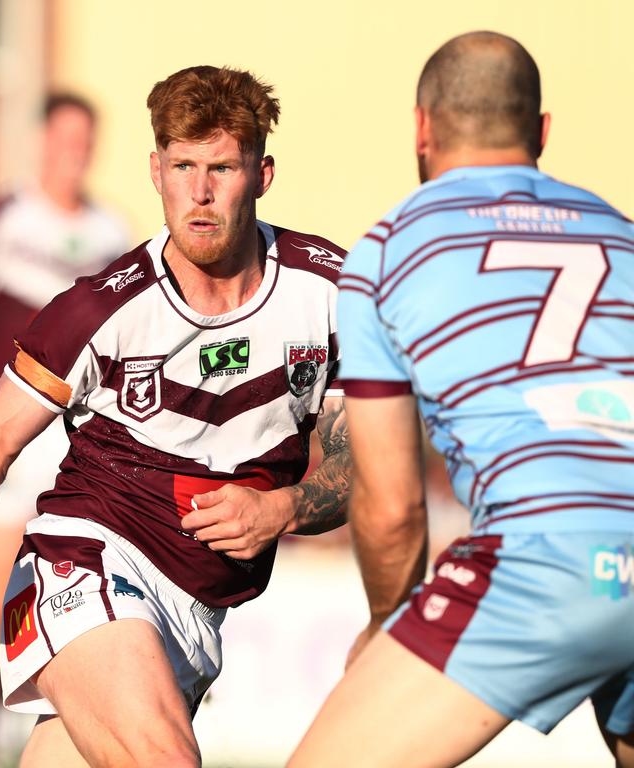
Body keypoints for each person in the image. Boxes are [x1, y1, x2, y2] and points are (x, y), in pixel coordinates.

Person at [0, 65, 351, 767]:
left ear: (262, 174)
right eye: (183, 165)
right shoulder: (100, 309)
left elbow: (357, 462)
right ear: (156, 170)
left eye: (222, 167)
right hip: (83, 563)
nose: (200, 191)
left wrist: (284, 510)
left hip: (195, 612)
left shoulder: (331, 292)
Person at [287, 31, 634, 768]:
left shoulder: (389, 249)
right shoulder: (623, 236)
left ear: (421, 128)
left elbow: (391, 506)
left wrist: (387, 625)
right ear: (541, 132)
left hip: (543, 559)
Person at [0, 91, 128, 763]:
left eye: (84, 139)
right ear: (42, 141)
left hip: (81, 436)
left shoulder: (114, 231)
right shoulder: (0, 218)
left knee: (68, 577)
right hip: (13, 425)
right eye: (63, 138)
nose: (72, 152)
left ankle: (63, 725)